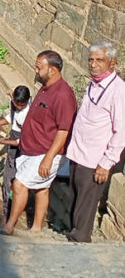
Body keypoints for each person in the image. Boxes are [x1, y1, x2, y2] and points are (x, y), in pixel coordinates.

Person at [3, 50, 77, 235]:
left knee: (19, 185)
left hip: (45, 152)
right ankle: (36, 228)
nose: (35, 70)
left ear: (52, 70)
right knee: (41, 189)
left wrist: (48, 158)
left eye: (39, 66)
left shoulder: (63, 95)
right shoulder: (46, 88)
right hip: (31, 149)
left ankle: (9, 226)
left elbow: (63, 130)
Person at [66, 40, 125, 242]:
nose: (93, 64)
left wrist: (106, 163)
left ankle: (80, 242)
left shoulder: (118, 90)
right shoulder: (94, 83)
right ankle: (72, 234)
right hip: (77, 153)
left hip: (94, 160)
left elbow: (121, 131)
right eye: (90, 60)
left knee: (85, 206)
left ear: (112, 62)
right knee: (74, 199)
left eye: (99, 60)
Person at [0, 85, 31, 220]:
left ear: (27, 101)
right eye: (16, 104)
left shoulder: (27, 114)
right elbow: (9, 119)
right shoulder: (15, 105)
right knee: (6, 179)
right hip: (13, 144)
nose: (18, 107)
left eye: (21, 105)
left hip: (21, 148)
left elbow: (20, 142)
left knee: (13, 181)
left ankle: (10, 213)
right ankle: (6, 210)